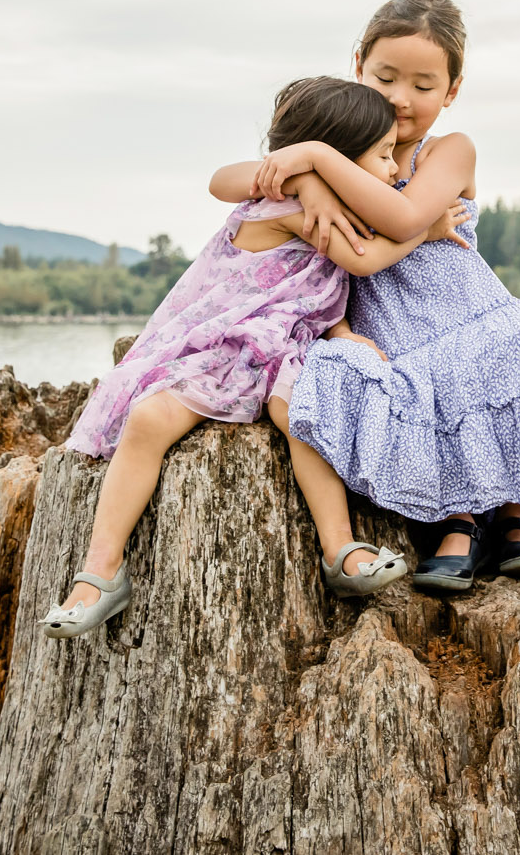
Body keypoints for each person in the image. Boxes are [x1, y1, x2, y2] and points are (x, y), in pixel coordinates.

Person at [43, 76, 469, 638]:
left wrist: (339, 330)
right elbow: (360, 260)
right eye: (384, 155)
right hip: (225, 343)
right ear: (337, 158)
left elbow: (316, 283)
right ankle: (100, 569)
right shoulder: (286, 206)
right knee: (149, 417)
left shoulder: (328, 204)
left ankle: (340, 549)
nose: (394, 171)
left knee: (300, 415)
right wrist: (426, 230)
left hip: (285, 346)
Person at [210, 0, 520, 593]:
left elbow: (401, 218)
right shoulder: (344, 149)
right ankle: (458, 522)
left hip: (466, 307)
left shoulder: (449, 150)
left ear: (452, 91)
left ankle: (515, 522)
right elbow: (226, 181)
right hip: (383, 316)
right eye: (386, 76)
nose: (401, 97)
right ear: (358, 65)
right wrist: (310, 178)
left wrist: (313, 160)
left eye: (424, 85)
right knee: (396, 375)